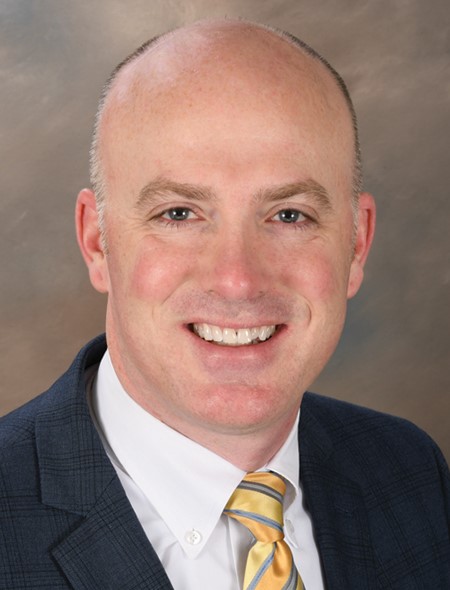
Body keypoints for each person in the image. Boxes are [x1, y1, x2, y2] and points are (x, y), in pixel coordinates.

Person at [1, 18, 449, 590]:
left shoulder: (408, 473)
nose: (237, 280)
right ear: (97, 242)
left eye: (289, 215)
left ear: (356, 244)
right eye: (179, 214)